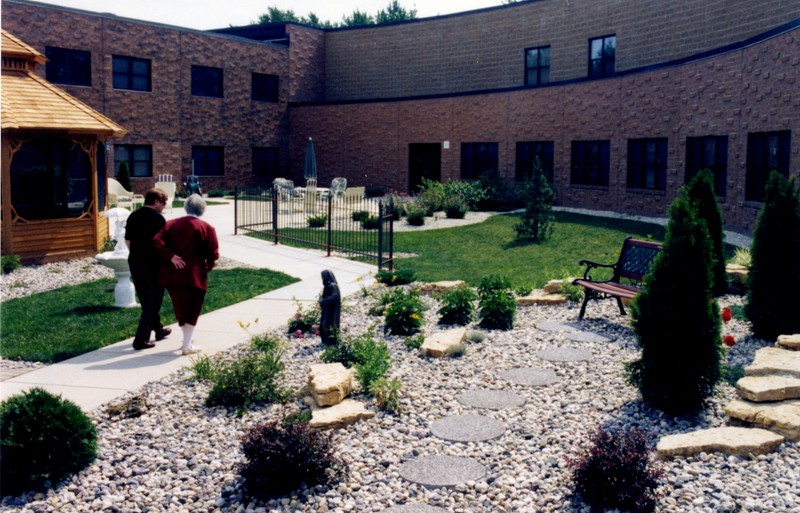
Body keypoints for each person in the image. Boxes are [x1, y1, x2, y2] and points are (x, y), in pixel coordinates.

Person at [152, 194, 219, 355]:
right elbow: (213, 252)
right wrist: (208, 266)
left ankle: (187, 340)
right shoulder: (206, 228)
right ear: (202, 208)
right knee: (193, 309)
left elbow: (156, 240)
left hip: (173, 274)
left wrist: (170, 256)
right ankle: (187, 345)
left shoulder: (172, 224)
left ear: (186, 207)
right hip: (194, 274)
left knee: (180, 307)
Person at [125, 188, 172, 350]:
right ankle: (141, 339)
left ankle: (158, 330)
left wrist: (138, 255)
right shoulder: (158, 219)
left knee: (146, 298)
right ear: (157, 202)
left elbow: (128, 241)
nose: (164, 206)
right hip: (154, 264)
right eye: (163, 203)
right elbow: (164, 244)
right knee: (153, 301)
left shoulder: (133, 216)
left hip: (135, 262)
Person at [319, 270, 341, 345]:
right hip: (326, 309)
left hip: (331, 310)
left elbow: (334, 296)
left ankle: (330, 340)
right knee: (323, 324)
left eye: (324, 276)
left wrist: (324, 300)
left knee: (327, 324)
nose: (323, 278)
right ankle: (326, 340)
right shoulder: (327, 287)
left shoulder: (333, 286)